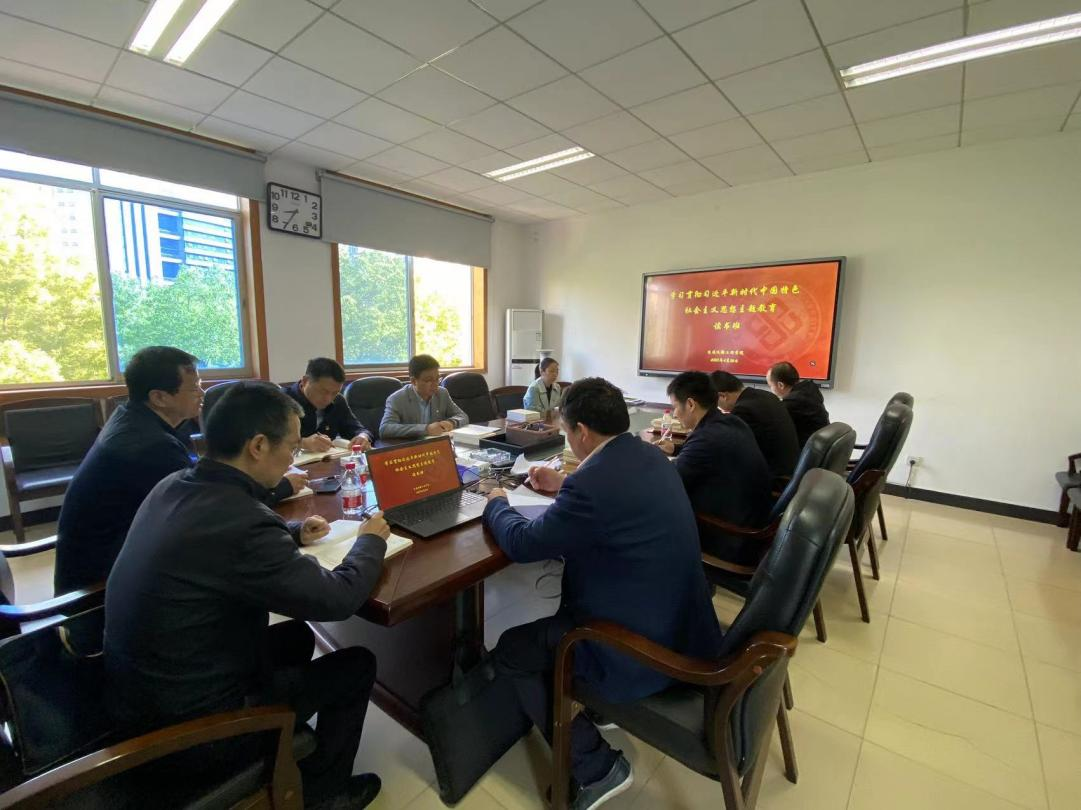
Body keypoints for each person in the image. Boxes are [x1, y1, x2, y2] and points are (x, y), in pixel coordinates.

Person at [105, 381, 390, 809]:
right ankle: (326, 795)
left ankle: (287, 739)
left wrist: (293, 531)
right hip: (189, 731)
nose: (293, 456)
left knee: (296, 635)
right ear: (258, 445)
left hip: (142, 689)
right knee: (357, 665)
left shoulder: (175, 484)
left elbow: (214, 542)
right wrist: (370, 541)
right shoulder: (242, 520)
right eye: (291, 447)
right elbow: (337, 600)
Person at [484, 378, 723, 810]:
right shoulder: (649, 455)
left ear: (581, 432)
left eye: (567, 431)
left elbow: (522, 544)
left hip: (638, 646)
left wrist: (497, 502)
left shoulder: (592, 483)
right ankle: (594, 711)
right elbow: (613, 499)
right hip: (683, 624)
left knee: (513, 650)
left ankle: (596, 767)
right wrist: (563, 484)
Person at [53, 346, 302, 595]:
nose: (202, 394)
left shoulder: (135, 417)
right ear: (159, 397)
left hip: (127, 553)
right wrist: (283, 488)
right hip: (104, 585)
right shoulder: (149, 446)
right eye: (194, 388)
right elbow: (211, 513)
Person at [655, 371, 772, 534]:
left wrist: (650, 461)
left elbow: (670, 481)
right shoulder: (730, 421)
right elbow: (703, 456)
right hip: (751, 516)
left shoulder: (706, 438)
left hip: (730, 532)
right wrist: (675, 449)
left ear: (690, 404)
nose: (674, 414)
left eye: (675, 406)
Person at [710, 370, 799, 484]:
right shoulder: (766, 395)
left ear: (722, 396)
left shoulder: (743, 409)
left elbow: (732, 452)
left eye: (716, 403)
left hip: (774, 480)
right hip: (790, 470)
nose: (718, 407)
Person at [283, 357, 374, 453]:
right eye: (323, 391)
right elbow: (272, 442)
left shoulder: (338, 400)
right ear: (305, 381)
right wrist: (302, 443)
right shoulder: (281, 401)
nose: (328, 399)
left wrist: (363, 436)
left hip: (328, 459)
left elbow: (357, 429)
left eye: (335, 393)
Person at [379, 354, 468, 439]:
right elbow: (385, 429)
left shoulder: (442, 393)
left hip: (437, 445)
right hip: (412, 446)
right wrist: (426, 429)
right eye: (428, 380)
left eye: (437, 379)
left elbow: (462, 416)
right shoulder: (397, 399)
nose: (435, 384)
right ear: (414, 381)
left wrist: (452, 422)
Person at [767, 361, 830, 447]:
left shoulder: (792, 403)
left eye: (770, 386)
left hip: (808, 449)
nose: (770, 389)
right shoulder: (809, 389)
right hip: (822, 446)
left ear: (780, 385)